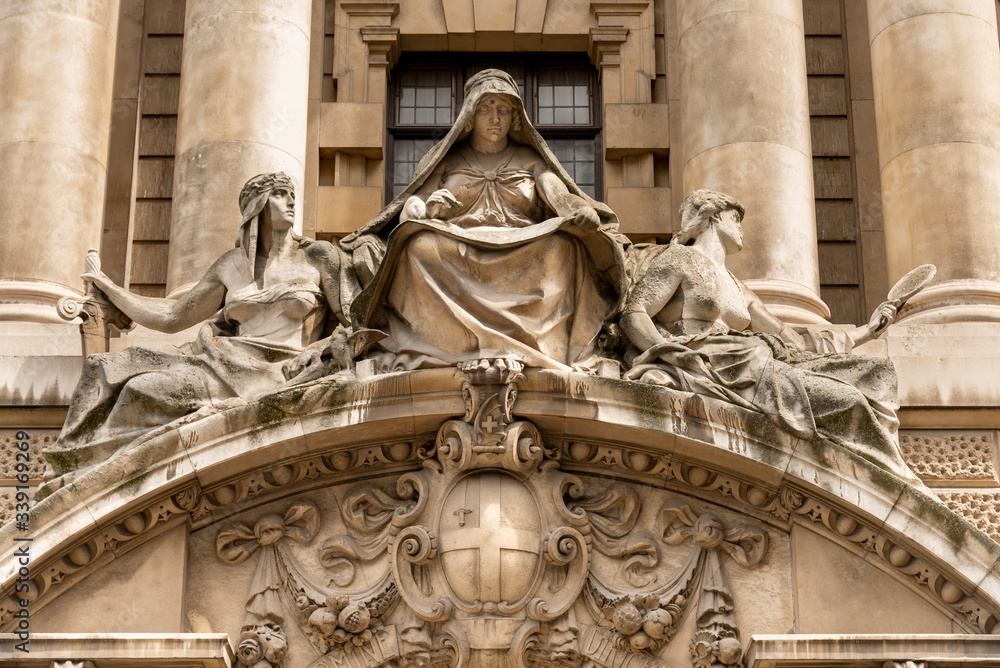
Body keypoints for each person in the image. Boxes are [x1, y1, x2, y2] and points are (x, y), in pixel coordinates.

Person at [43, 172, 365, 489]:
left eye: (291, 193)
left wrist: (321, 352)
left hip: (288, 370)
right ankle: (90, 477)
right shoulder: (231, 265)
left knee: (140, 390)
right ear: (258, 206)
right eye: (280, 193)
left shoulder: (319, 256)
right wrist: (111, 289)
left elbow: (357, 321)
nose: (291, 200)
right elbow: (173, 315)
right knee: (138, 390)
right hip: (224, 366)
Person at [342, 68, 627, 371]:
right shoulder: (445, 161)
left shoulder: (532, 161)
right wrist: (429, 209)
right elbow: (413, 205)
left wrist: (582, 210)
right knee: (419, 246)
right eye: (486, 109)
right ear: (470, 114)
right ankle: (447, 344)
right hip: (457, 243)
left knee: (562, 248)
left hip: (524, 245)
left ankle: (541, 347)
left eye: (503, 110)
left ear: (515, 117)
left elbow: (562, 199)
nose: (495, 118)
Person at [620, 189, 917, 481]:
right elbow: (634, 314)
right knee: (849, 401)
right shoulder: (679, 259)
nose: (741, 228)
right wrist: (668, 351)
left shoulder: (737, 285)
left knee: (876, 373)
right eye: (735, 218)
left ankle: (887, 480)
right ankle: (883, 479)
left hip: (752, 359)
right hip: (712, 361)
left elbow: (789, 337)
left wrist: (868, 331)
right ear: (712, 217)